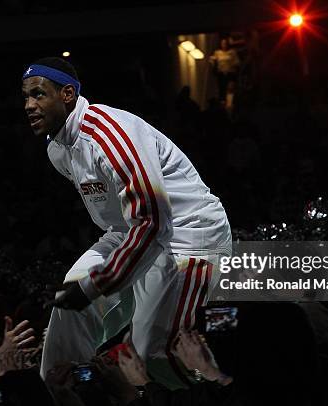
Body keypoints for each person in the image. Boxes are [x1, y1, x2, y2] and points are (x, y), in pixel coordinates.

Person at [21, 57, 232, 387]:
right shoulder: (57, 150)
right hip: (127, 232)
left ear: (66, 94)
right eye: (25, 97)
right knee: (69, 307)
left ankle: (223, 391)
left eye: (38, 94)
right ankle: (67, 392)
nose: (29, 105)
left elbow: (152, 222)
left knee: (159, 354)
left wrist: (97, 285)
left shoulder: (108, 135)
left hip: (187, 233)